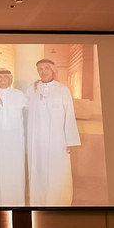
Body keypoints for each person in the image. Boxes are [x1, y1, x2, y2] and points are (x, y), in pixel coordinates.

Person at [26, 59, 81, 206]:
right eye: (40, 69)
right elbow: (23, 109)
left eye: (46, 68)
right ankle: (39, 201)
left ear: (52, 70)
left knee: (57, 171)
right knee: (39, 171)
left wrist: (71, 141)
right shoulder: (32, 89)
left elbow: (69, 116)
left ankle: (58, 202)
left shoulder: (63, 90)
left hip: (57, 140)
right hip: (37, 141)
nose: (43, 71)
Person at [0, 69, 27, 206]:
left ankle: (17, 201)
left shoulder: (19, 94)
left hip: (15, 141)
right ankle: (0, 200)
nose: (2, 80)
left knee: (15, 170)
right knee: (0, 169)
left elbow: (33, 108)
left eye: (5, 77)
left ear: (10, 79)